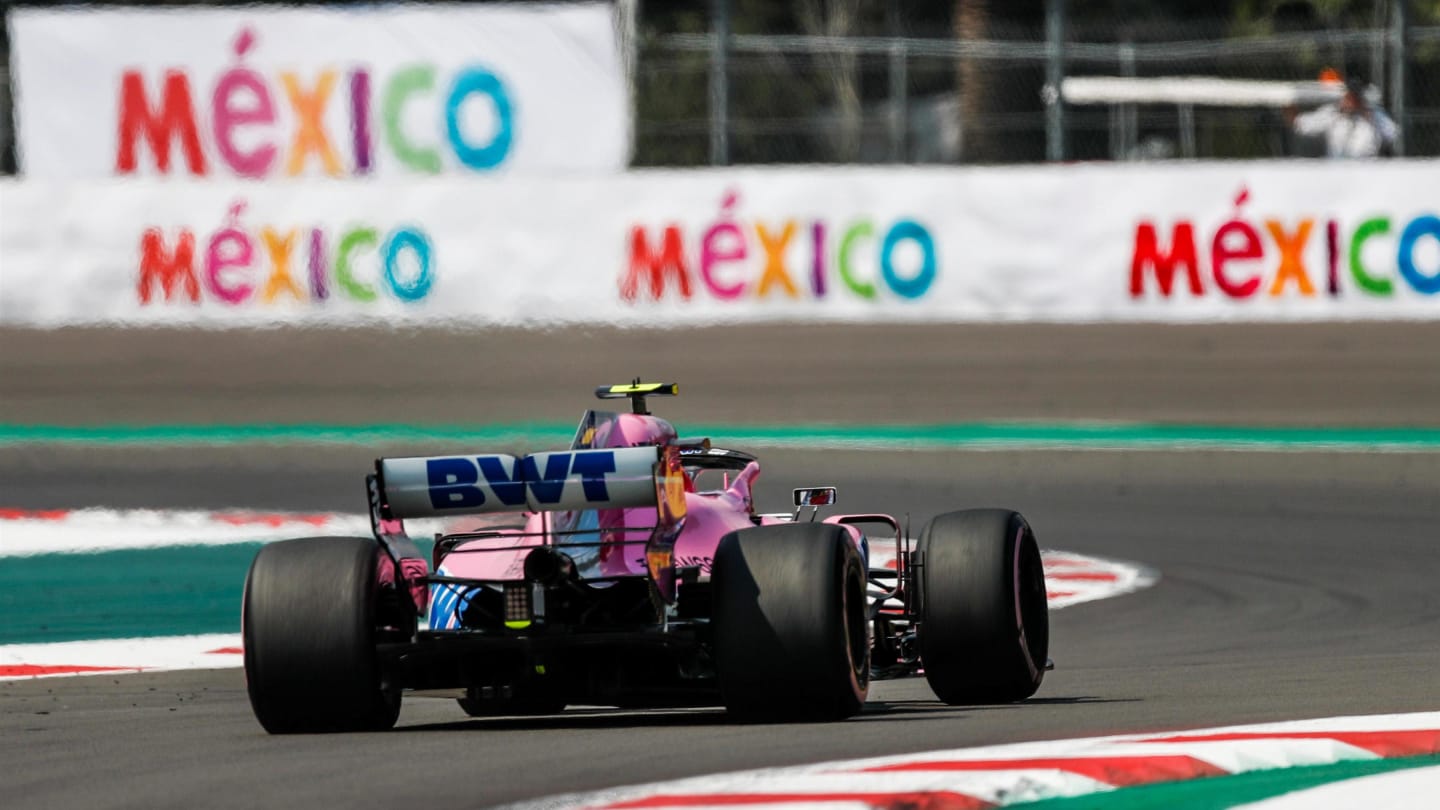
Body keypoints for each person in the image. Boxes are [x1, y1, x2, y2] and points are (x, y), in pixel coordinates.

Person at [1287, 77, 1399, 158]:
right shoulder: (1332, 113)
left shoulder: (1373, 114)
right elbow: (1301, 124)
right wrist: (1286, 101)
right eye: (1349, 96)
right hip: (1338, 170)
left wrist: (1368, 116)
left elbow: (1393, 133)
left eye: (1356, 97)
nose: (1352, 101)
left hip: (1367, 170)